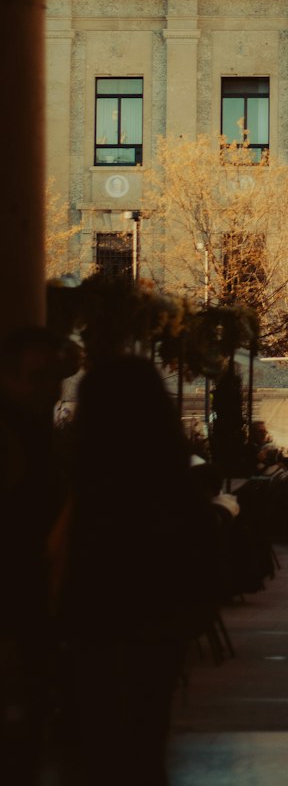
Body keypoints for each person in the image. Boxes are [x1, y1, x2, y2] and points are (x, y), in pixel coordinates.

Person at [55, 355, 218, 786]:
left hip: (94, 628)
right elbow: (200, 556)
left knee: (97, 738)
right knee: (146, 734)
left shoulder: (80, 483)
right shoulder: (172, 482)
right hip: (158, 626)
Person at [0, 326, 70, 784]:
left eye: (55, 378)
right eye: (38, 377)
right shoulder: (15, 436)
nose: (49, 390)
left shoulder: (34, 432)